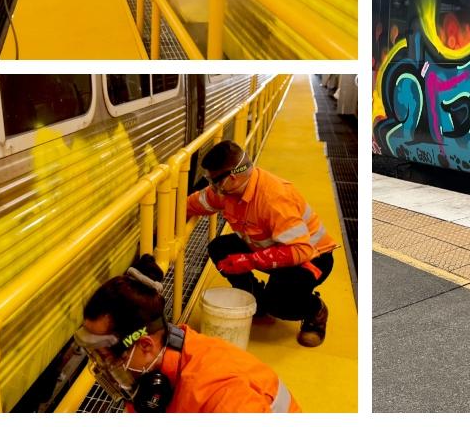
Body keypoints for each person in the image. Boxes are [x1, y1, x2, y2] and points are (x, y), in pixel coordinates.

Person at [75, 254, 300, 412]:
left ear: (144, 344)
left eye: (107, 355)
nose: (103, 366)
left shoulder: (223, 396)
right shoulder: (153, 371)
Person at [187, 140, 337, 347]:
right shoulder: (227, 192)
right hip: (271, 250)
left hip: (311, 259)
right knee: (219, 248)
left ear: (232, 177)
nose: (213, 187)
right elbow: (196, 203)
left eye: (215, 182)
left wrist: (250, 261)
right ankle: (257, 302)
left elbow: (300, 250)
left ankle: (314, 311)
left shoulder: (273, 198)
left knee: (280, 303)